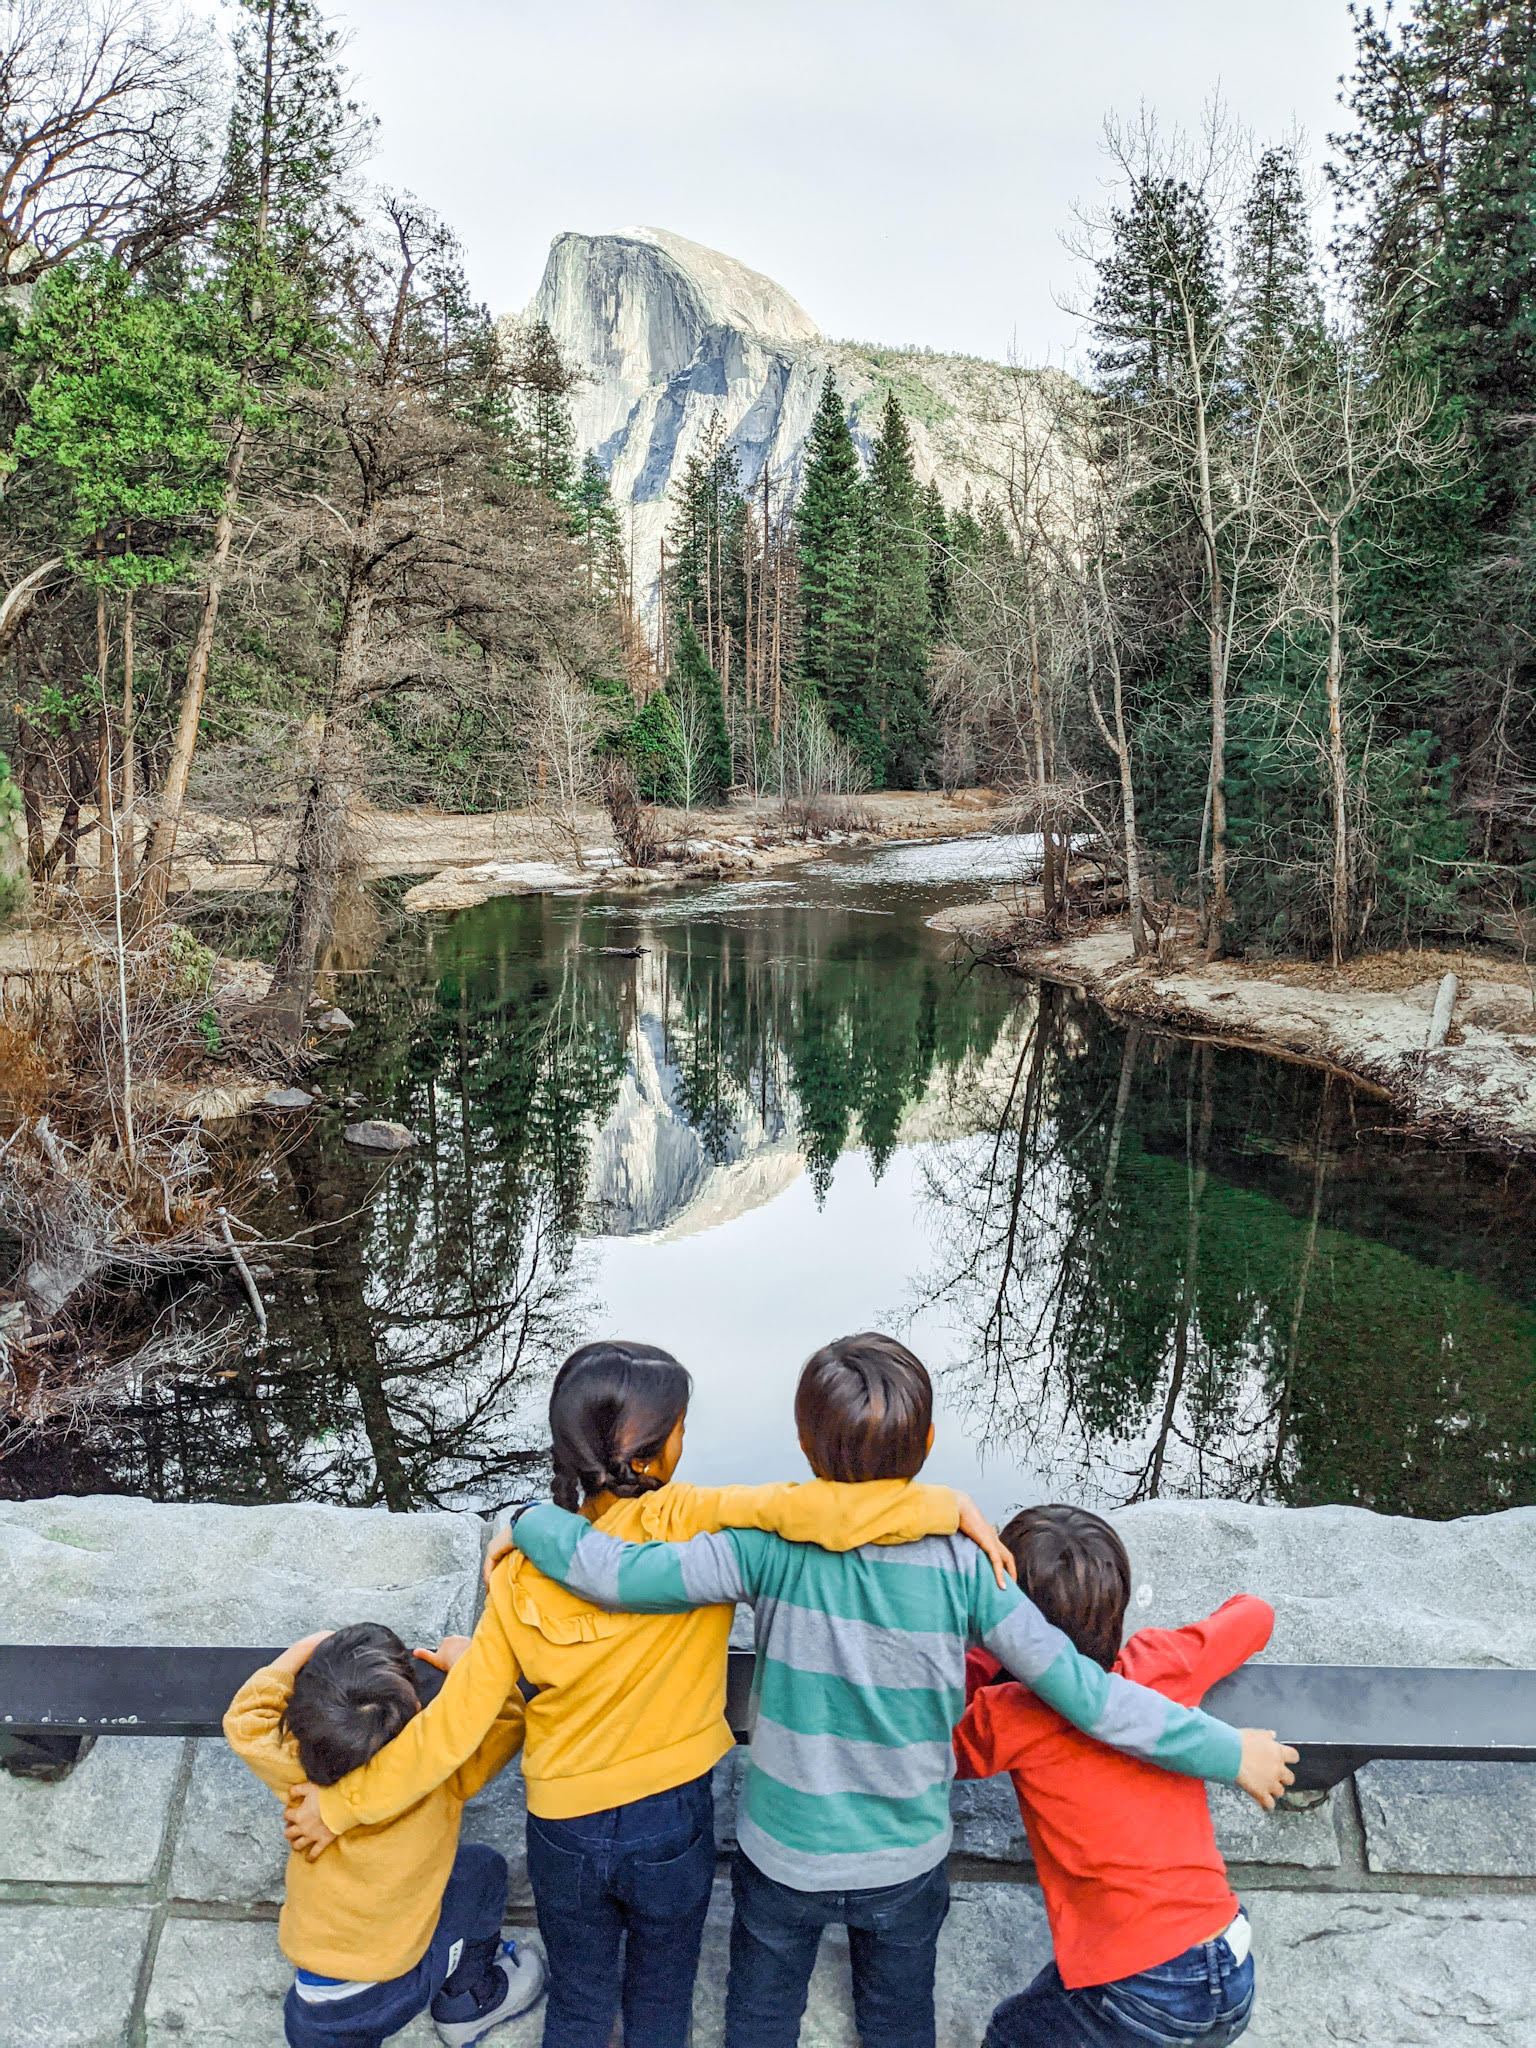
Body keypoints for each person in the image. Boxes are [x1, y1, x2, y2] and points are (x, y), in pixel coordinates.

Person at [499, 1332, 1297, 2048]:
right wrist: (1227, 1751)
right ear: (930, 1444)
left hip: (785, 1855)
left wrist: (532, 1517)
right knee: (897, 2014)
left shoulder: (764, 1550)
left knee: (763, 2012)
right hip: (906, 1860)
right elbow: (1090, 1696)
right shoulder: (965, 1567)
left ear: (806, 1447)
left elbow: (616, 1576)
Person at [281, 1340, 1001, 2048]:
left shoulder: (523, 1573)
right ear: (651, 1456)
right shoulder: (701, 1518)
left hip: (564, 1830)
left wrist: (343, 1806)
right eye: (682, 1426)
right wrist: (940, 1507)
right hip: (670, 1820)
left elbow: (451, 1733)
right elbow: (822, 1513)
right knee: (661, 2000)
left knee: (582, 2002)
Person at [954, 1504, 1273, 2048]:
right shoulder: (1159, 1661)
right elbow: (1256, 1615)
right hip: (1229, 1960)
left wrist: (985, 1648)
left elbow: (938, 1744)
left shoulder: (1008, 1714)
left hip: (1139, 1991)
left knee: (1013, 2033)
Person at [223, 1623, 545, 2048]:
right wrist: (466, 1663)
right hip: (393, 1986)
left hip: (314, 2005)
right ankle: (468, 2001)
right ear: (414, 1703)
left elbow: (246, 1720)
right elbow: (506, 1719)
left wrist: (305, 1648)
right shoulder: (441, 1776)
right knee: (482, 1871)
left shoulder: (294, 1771)